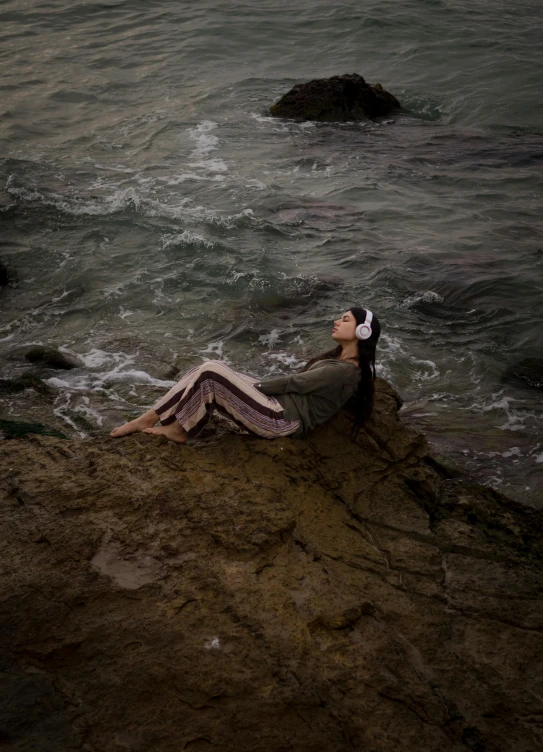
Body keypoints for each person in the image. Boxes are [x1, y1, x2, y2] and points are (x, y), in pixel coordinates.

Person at [110, 307, 380, 444]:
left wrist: (255, 387)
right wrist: (244, 386)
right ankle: (149, 418)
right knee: (203, 368)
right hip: (279, 411)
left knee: (212, 372)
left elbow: (296, 382)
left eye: (345, 319)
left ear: (362, 332)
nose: (336, 321)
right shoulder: (341, 365)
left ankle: (179, 430)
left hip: (282, 421)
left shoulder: (344, 372)